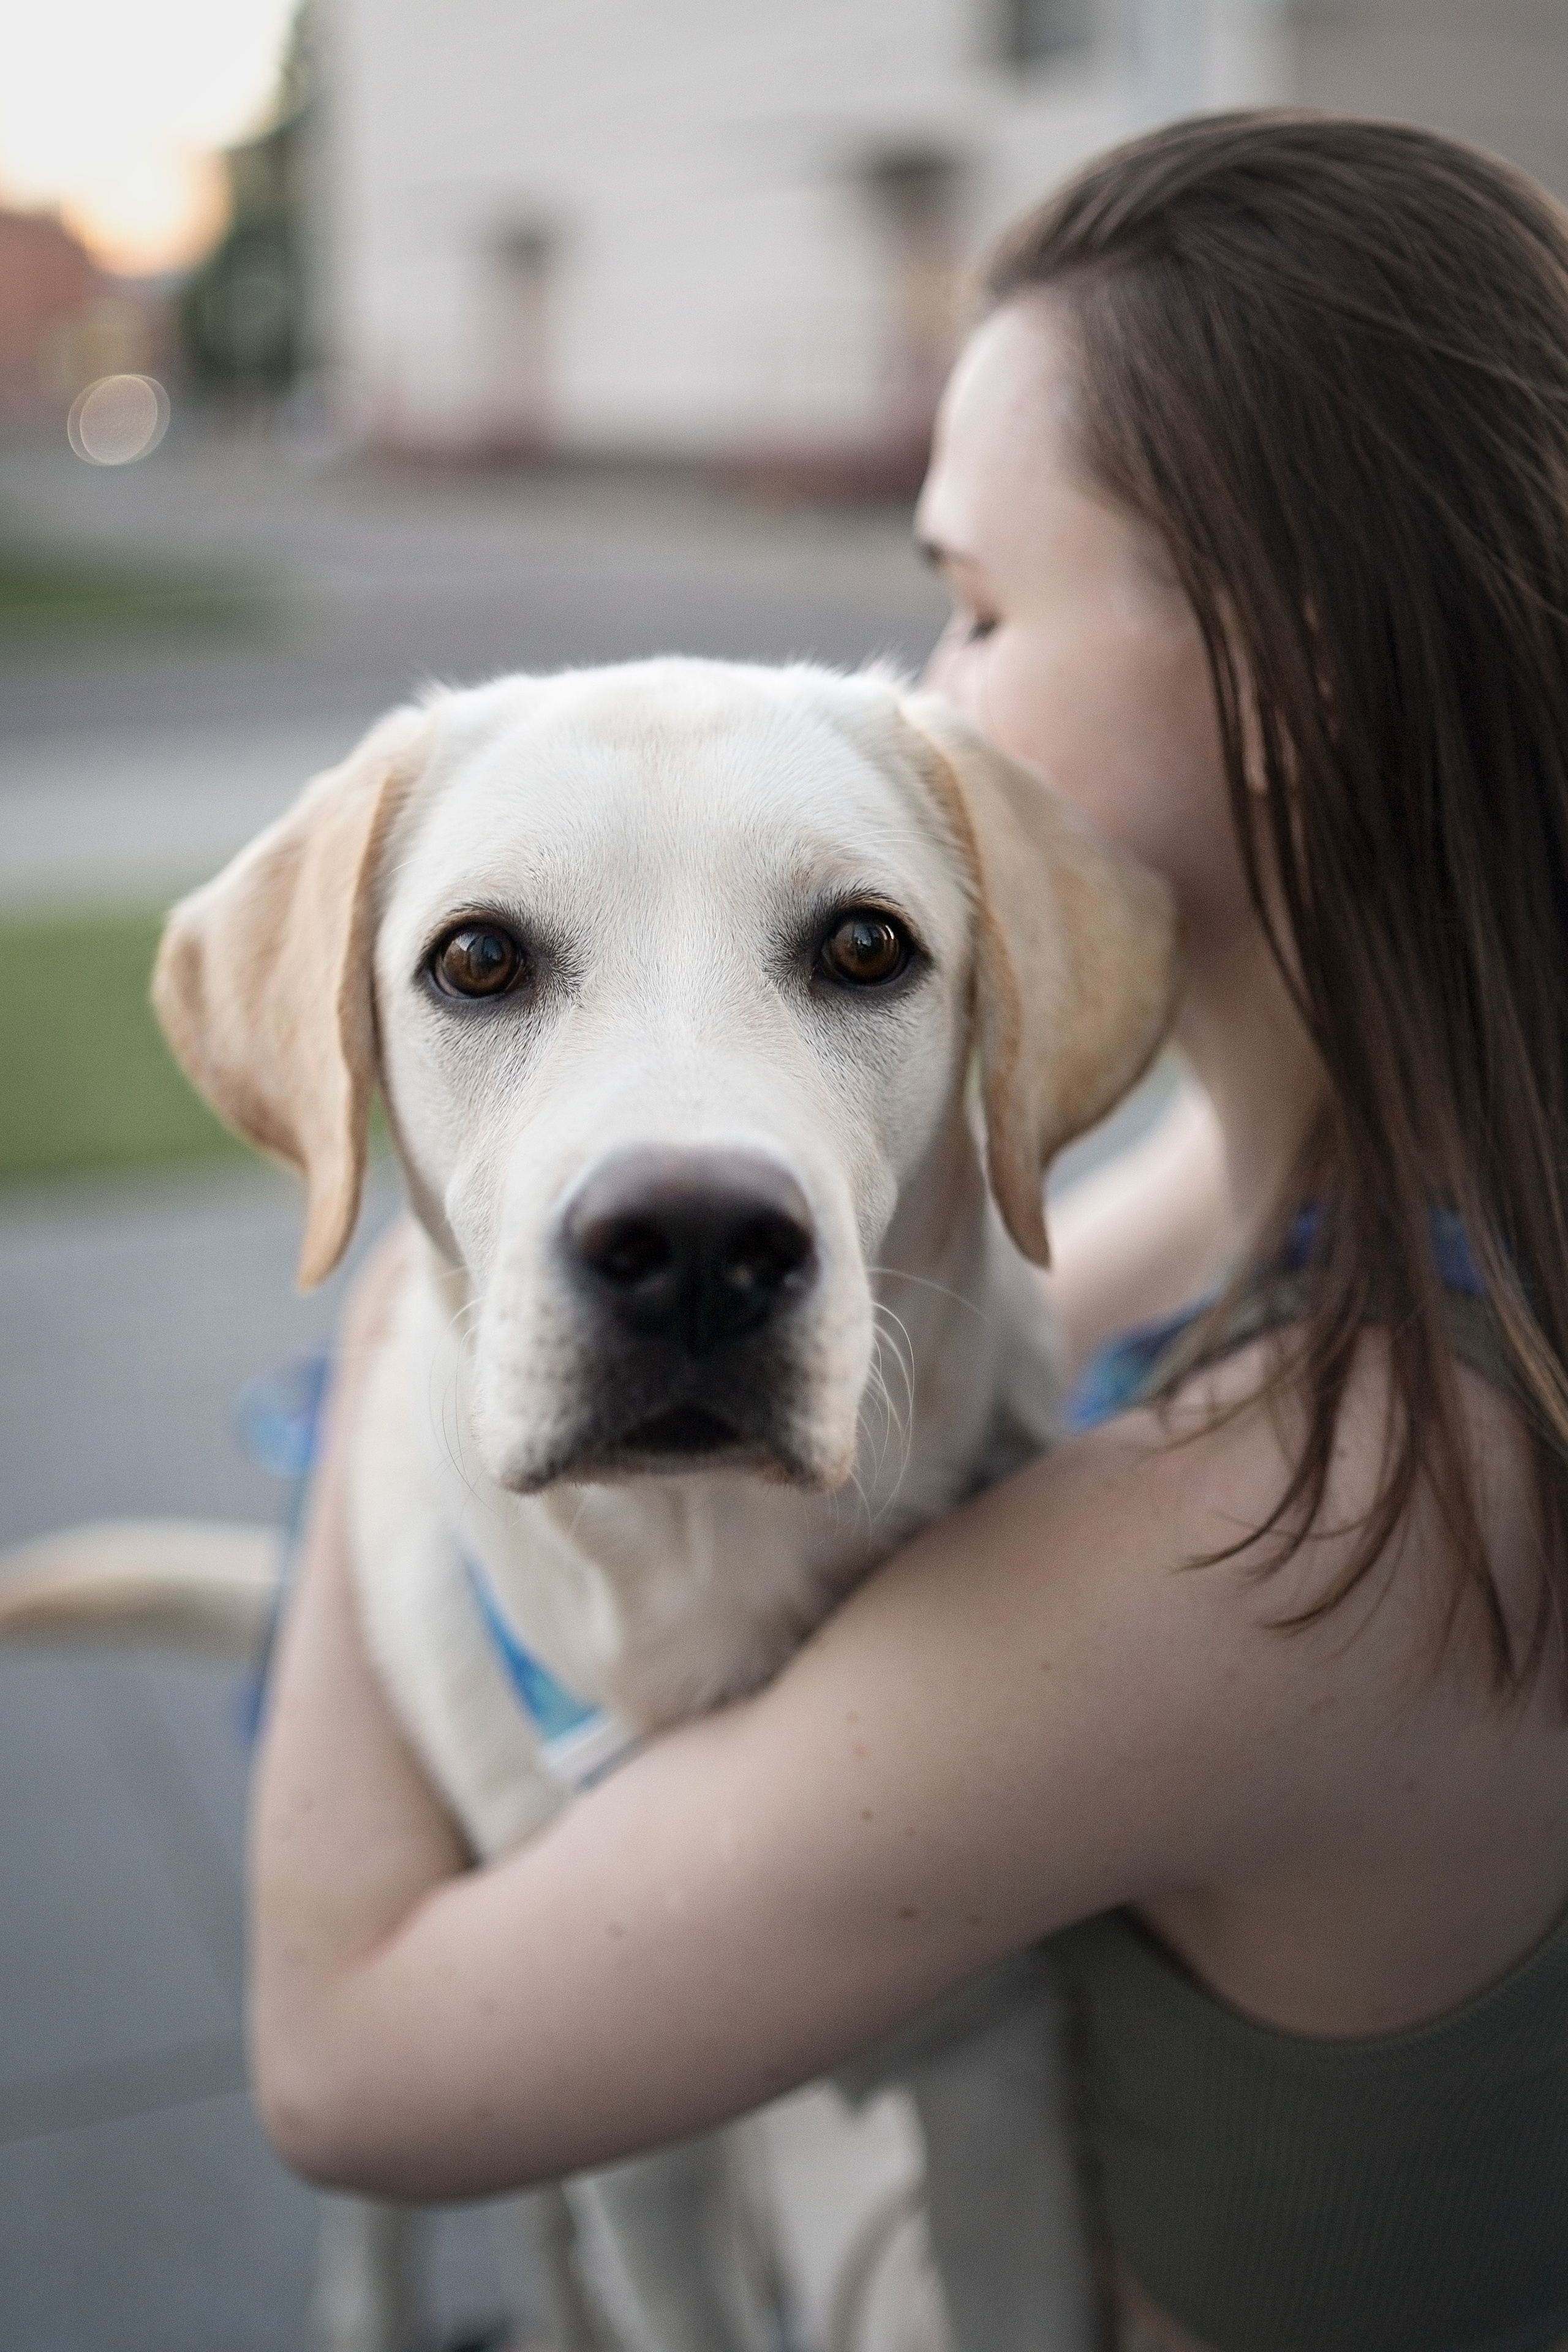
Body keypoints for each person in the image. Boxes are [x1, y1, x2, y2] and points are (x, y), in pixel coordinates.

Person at [249, 113, 1568, 2352]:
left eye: (970, 603)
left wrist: (420, 1296)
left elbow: (346, 2054)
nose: (919, 691)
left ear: (1297, 670)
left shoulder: (1295, 1531)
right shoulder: (1385, 1200)